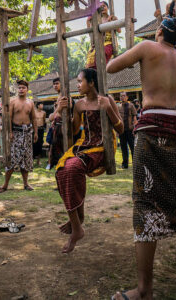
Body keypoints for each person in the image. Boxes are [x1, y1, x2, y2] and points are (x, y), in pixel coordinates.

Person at [107, 17, 176, 299]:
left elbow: (111, 68)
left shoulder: (147, 47)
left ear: (159, 32)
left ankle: (144, 289)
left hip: (152, 127)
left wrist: (139, 58)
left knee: (146, 202)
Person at [55, 68, 124, 253]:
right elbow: (74, 130)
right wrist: (61, 111)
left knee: (73, 167)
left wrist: (108, 109)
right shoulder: (79, 105)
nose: (77, 85)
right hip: (83, 145)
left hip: (102, 147)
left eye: (80, 81)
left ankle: (76, 227)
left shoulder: (107, 100)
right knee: (61, 170)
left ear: (91, 83)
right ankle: (78, 222)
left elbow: (122, 129)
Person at [0, 80, 37, 193]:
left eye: (23, 87)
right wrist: (9, 132)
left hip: (28, 132)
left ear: (27, 89)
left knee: (26, 158)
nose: (21, 89)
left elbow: (34, 118)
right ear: (17, 89)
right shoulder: (13, 102)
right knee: (12, 159)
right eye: (19, 88)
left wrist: (36, 132)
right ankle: (5, 185)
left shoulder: (31, 102)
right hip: (16, 132)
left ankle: (26, 184)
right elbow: (8, 118)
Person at [85, 1, 121, 69]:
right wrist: (88, 21)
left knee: (100, 54)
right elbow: (90, 33)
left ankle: (99, 72)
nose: (102, 8)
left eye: (104, 6)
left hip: (108, 43)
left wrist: (114, 21)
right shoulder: (96, 20)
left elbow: (119, 31)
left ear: (108, 8)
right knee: (90, 55)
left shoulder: (112, 18)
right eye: (100, 7)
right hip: (97, 44)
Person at [118, 92, 137, 169]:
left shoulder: (131, 105)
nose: (122, 97)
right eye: (121, 96)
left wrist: (134, 129)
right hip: (122, 130)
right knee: (123, 147)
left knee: (132, 147)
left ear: (127, 97)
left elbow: (135, 118)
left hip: (130, 130)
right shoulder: (118, 107)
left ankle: (135, 163)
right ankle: (125, 164)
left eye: (124, 96)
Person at [33, 102, 46, 167]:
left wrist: (43, 127)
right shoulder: (34, 112)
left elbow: (44, 121)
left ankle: (38, 161)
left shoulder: (44, 113)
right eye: (41, 104)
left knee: (40, 144)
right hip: (35, 129)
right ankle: (31, 160)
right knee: (34, 144)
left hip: (41, 129)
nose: (42, 106)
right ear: (38, 106)